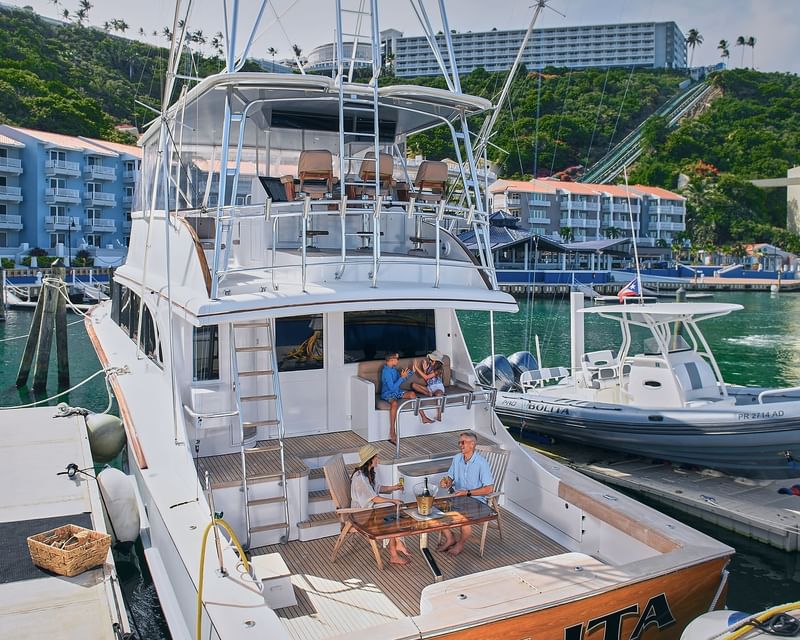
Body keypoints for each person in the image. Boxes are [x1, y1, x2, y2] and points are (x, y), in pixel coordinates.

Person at [350, 444, 411, 565]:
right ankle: (395, 550)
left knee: (392, 512)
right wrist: (392, 500)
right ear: (370, 459)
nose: (378, 459)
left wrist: (394, 487)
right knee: (391, 512)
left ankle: (396, 545)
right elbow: (374, 498)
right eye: (376, 457)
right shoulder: (360, 478)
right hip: (361, 514)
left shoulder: (368, 473)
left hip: (369, 508)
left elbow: (377, 489)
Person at [437, 431, 493, 556]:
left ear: (472, 444)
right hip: (458, 498)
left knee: (463, 518)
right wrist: (446, 482)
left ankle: (460, 544)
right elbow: (450, 478)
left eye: (463, 442)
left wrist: (467, 493)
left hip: (477, 501)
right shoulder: (457, 458)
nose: (460, 445)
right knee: (435, 511)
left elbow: (489, 489)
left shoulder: (481, 463)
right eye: (459, 442)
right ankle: (450, 538)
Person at [380, 352, 415, 444]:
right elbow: (392, 388)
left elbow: (401, 380)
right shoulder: (386, 372)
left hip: (397, 392)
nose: (398, 360)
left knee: (412, 394)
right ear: (391, 360)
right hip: (388, 394)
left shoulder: (393, 369)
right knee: (394, 403)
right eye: (397, 359)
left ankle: (423, 417)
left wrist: (410, 372)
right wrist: (402, 377)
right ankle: (392, 430)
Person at [411, 350, 446, 423]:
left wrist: (417, 368)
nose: (430, 361)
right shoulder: (430, 367)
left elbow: (426, 377)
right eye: (430, 360)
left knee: (438, 394)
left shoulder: (439, 370)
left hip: (438, 388)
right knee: (413, 385)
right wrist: (425, 370)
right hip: (429, 388)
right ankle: (428, 393)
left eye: (432, 360)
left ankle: (439, 414)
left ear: (436, 361)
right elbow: (427, 380)